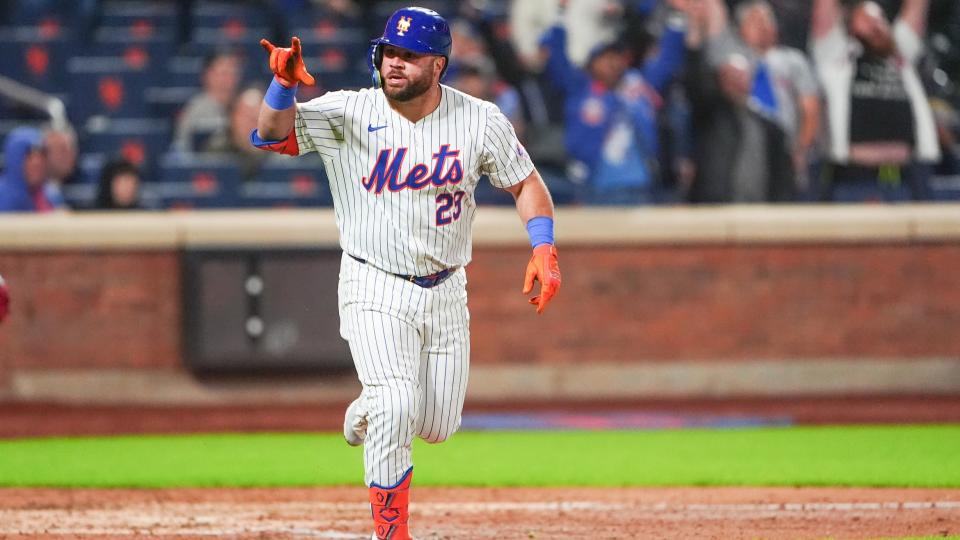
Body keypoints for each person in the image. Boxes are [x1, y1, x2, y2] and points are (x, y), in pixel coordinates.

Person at [251, 7, 561, 540]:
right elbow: (272, 135)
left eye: (409, 56)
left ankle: (369, 407)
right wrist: (281, 84)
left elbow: (525, 183)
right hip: (374, 282)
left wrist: (544, 247)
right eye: (389, 52)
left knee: (437, 426)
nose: (394, 64)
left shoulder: (479, 119)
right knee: (398, 404)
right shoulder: (349, 111)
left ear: (438, 65)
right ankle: (391, 531)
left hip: (446, 288)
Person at [539, 1, 691, 204]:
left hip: (639, 186)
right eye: (605, 57)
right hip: (593, 187)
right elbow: (557, 59)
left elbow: (667, 61)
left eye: (617, 57)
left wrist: (677, 17)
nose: (612, 63)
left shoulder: (638, 85)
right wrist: (560, 14)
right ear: (592, 63)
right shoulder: (580, 88)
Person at [811, 0, 939, 201]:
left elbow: (917, 7)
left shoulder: (900, 52)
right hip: (854, 171)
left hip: (904, 170)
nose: (876, 24)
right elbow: (824, 9)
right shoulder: (835, 53)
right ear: (850, 25)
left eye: (880, 19)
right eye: (867, 19)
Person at [704, 0, 821, 192]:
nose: (762, 25)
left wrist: (801, 151)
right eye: (754, 20)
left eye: (767, 19)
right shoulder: (732, 64)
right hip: (745, 151)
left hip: (788, 150)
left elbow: (810, 109)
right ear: (740, 28)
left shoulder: (794, 61)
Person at [171, 51, 243, 153]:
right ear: (207, 75)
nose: (229, 79)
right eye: (224, 73)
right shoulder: (195, 109)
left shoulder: (245, 106)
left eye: (233, 73)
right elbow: (182, 147)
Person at [204, 86, 268, 181]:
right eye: (245, 116)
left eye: (257, 116)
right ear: (232, 118)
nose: (251, 122)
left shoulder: (281, 153)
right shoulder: (216, 150)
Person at [0, 127, 53, 213]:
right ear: (14, 160)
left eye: (42, 155)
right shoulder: (2, 197)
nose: (37, 163)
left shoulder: (51, 197)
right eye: (29, 157)